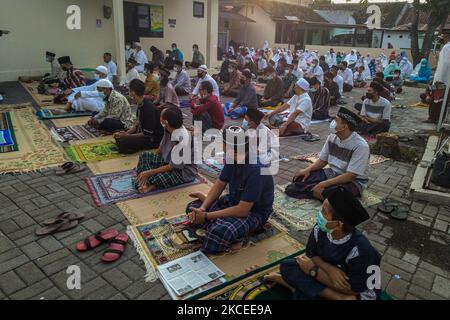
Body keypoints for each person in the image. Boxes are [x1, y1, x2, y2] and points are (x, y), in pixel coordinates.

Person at [265, 186, 381, 300]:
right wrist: (329, 269)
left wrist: (312, 270)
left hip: (355, 292)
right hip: (330, 280)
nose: (319, 213)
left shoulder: (361, 251)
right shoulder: (320, 229)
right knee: (287, 266)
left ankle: (294, 287)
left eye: (324, 211)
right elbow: (311, 255)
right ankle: (333, 296)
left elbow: (353, 289)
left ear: (338, 224)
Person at [185, 126, 275, 254]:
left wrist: (206, 216)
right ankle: (229, 230)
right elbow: (219, 184)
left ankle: (237, 233)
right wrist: (203, 208)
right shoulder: (232, 157)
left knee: (219, 232)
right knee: (192, 207)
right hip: (233, 202)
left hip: (253, 212)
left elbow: (243, 210)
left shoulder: (257, 170)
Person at [285, 107, 369, 200]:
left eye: (336, 120)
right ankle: (313, 190)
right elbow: (322, 160)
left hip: (352, 182)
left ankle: (316, 191)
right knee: (300, 178)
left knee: (333, 195)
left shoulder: (361, 146)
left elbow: (351, 175)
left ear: (344, 126)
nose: (333, 122)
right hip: (332, 173)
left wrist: (323, 184)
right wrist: (308, 169)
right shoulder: (332, 137)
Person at [135, 107, 197, 194]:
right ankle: (145, 180)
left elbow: (173, 166)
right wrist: (150, 160)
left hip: (182, 172)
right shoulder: (167, 129)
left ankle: (149, 183)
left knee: (158, 177)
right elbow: (161, 149)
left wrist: (149, 172)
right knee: (144, 156)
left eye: (161, 118)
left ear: (166, 122)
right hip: (168, 161)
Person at [114, 79, 164, 154]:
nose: (129, 93)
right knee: (119, 136)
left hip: (152, 139)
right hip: (143, 134)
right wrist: (126, 133)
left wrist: (127, 136)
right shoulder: (141, 104)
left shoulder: (148, 109)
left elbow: (146, 134)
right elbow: (137, 125)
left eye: (130, 90)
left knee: (123, 142)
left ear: (133, 93)